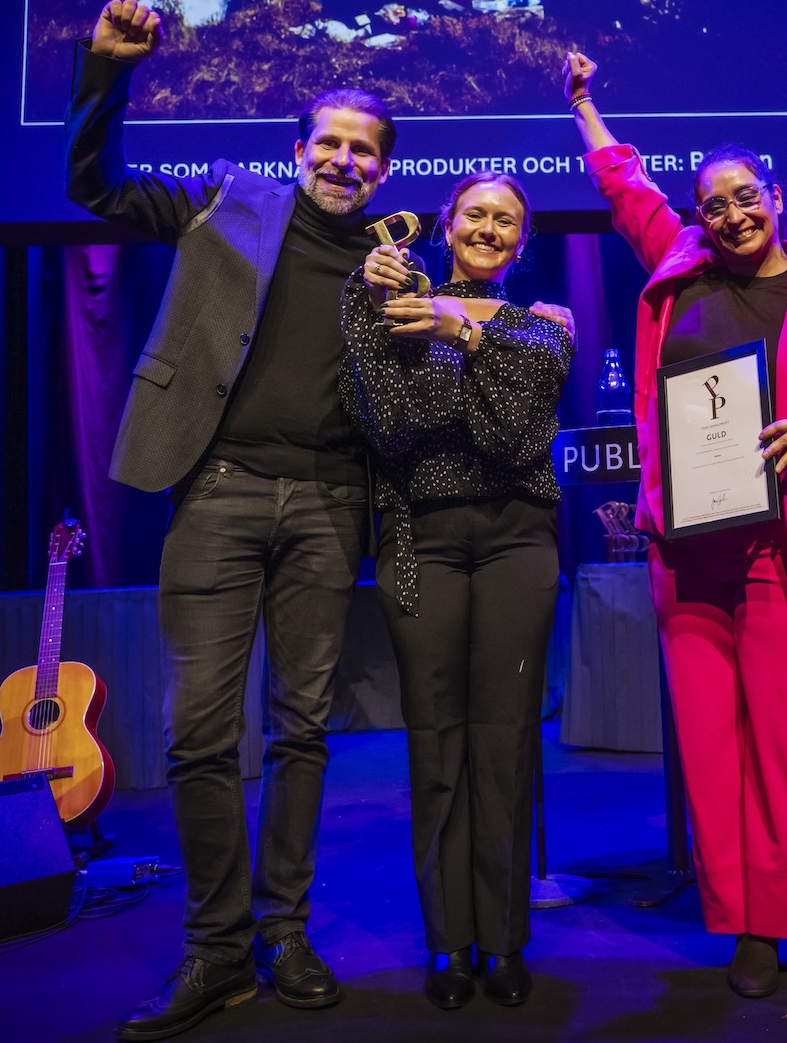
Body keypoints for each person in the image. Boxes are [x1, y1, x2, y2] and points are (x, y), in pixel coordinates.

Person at [70, 0, 384, 1040]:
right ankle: (215, 948)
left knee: (301, 730)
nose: (343, 161)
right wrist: (107, 74)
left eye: (363, 151)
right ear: (298, 151)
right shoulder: (228, 202)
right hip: (217, 491)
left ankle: (282, 933)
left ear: (382, 171)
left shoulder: (390, 259)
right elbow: (96, 186)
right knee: (198, 733)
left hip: (331, 504)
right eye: (329, 143)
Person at [565, 52, 787, 998]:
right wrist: (584, 103)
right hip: (688, 554)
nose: (733, 214)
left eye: (747, 197)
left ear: (777, 197)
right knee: (713, 749)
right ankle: (745, 921)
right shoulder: (680, 270)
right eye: (714, 204)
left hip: (786, 546)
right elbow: (624, 185)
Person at [339, 173, 573, 1010]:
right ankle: (446, 943)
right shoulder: (392, 309)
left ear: (522, 241)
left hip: (518, 539)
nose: (488, 227)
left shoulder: (543, 328)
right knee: (436, 743)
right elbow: (391, 426)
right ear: (447, 224)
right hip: (421, 544)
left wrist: (464, 333)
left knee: (504, 741)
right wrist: (379, 306)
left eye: (507, 220)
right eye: (475, 213)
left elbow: (512, 438)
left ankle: (503, 939)